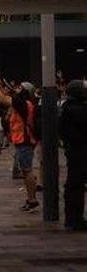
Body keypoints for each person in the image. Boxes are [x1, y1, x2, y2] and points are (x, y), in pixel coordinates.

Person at [0, 81, 39, 212]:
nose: (17, 89)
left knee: (27, 170)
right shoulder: (24, 104)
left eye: (20, 88)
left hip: (24, 140)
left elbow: (3, 99)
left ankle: (32, 199)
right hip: (23, 140)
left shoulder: (22, 104)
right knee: (26, 171)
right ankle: (31, 197)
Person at [60, 80, 87, 230]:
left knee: (74, 185)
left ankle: (74, 218)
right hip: (79, 152)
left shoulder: (68, 107)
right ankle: (74, 220)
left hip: (74, 152)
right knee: (75, 186)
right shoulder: (78, 110)